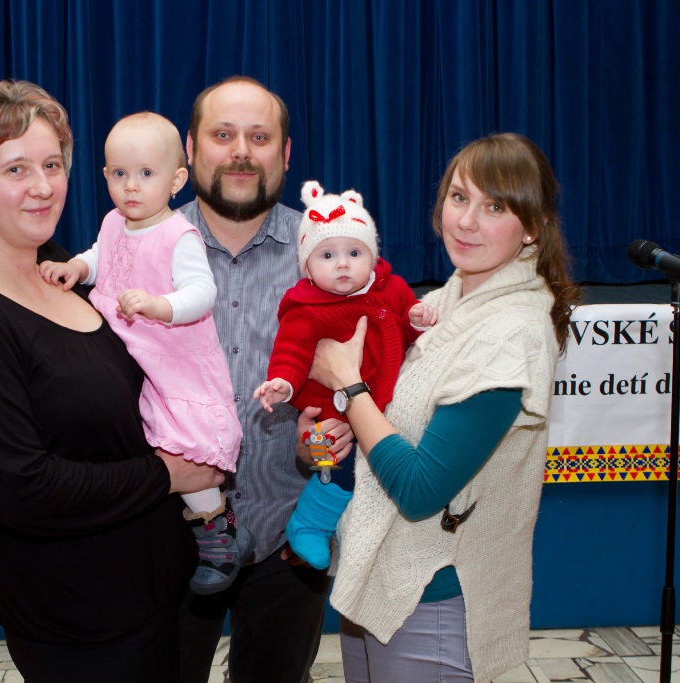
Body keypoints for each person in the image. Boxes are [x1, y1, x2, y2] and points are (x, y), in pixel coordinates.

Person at [0, 80, 221, 683]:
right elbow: (24, 490)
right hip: (81, 622)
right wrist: (170, 474)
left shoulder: (61, 267)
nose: (43, 186)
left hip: (161, 590)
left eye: (52, 164)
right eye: (16, 169)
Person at [306, 132, 581, 683]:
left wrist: (350, 387)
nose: (466, 222)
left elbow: (420, 491)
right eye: (459, 198)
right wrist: (332, 429)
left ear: (532, 226)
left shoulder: (509, 334)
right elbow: (395, 426)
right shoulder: (447, 300)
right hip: (378, 574)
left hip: (431, 595)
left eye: (495, 207)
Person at [175, 75, 353, 683]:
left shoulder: (331, 254)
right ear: (191, 149)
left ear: (286, 152)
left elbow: (367, 372)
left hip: (290, 537)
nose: (241, 152)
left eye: (259, 136)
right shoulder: (141, 251)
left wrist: (336, 427)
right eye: (222, 135)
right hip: (172, 539)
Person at [38, 112, 251, 595]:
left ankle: (217, 532)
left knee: (184, 443)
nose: (131, 186)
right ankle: (216, 528)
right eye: (119, 173)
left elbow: (203, 292)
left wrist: (161, 306)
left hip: (173, 358)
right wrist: (78, 268)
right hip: (129, 351)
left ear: (176, 180)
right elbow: (103, 255)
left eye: (146, 173)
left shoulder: (179, 235)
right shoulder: (115, 221)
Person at [252, 180, 436, 571]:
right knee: (338, 463)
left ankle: (347, 531)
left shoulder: (391, 288)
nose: (342, 264)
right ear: (306, 266)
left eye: (354, 252)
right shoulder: (306, 308)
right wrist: (283, 382)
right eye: (327, 255)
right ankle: (310, 523)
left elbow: (410, 331)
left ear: (372, 255)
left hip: (386, 405)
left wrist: (418, 320)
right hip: (332, 409)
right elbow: (291, 352)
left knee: (390, 468)